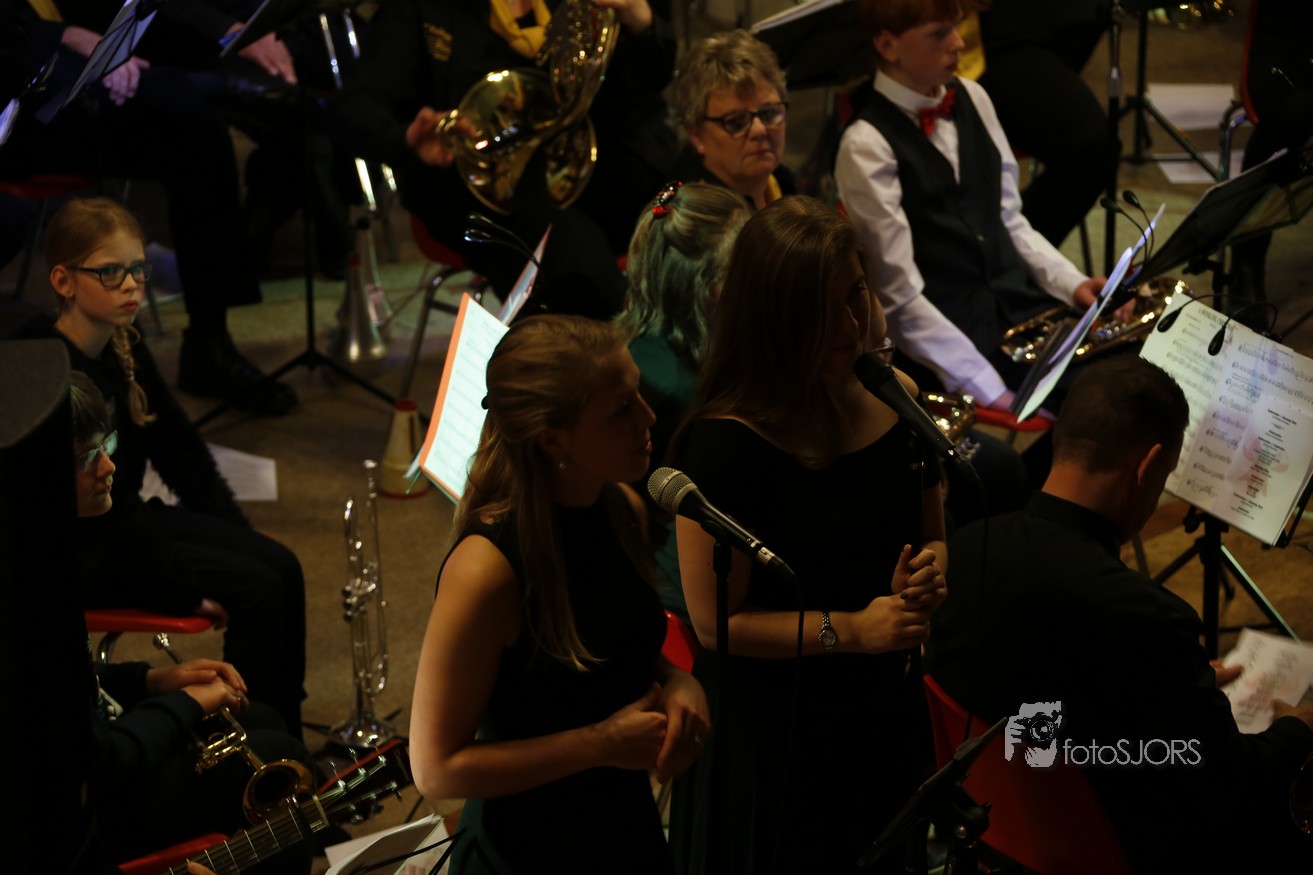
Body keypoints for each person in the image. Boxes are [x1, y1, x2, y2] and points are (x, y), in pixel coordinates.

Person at [924, 355, 1313, 871]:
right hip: (1120, 847)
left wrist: (1180, 690)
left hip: (999, 831)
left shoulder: (964, 549)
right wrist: (1296, 728)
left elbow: (1056, 689)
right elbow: (1233, 787)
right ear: (1148, 467)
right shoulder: (1144, 615)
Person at [667, 196, 948, 875]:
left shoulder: (897, 396)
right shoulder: (721, 448)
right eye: (824, 310)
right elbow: (716, 625)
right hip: (774, 736)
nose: (852, 324)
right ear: (775, 319)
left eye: (857, 293)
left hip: (879, 709)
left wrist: (931, 572)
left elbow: (934, 537)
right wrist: (850, 630)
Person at [410, 315, 710, 873]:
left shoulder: (621, 507)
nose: (649, 418)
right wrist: (599, 743)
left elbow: (616, 649)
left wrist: (677, 681)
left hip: (622, 827)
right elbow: (436, 769)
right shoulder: (486, 570)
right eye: (621, 409)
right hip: (525, 849)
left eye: (639, 394)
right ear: (553, 440)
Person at [15, 197, 308, 740]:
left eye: (138, 269)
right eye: (111, 272)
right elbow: (105, 517)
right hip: (83, 548)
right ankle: (263, 740)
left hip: (127, 520)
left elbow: (181, 451)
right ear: (63, 281)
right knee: (258, 588)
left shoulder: (123, 340)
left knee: (281, 564)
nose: (132, 285)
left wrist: (235, 531)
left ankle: (283, 731)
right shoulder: (50, 368)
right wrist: (179, 588)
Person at [0, 0, 299, 415]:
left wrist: (101, 46)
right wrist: (68, 37)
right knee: (187, 97)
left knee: (199, 137)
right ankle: (220, 88)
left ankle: (209, 346)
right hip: (16, 107)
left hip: (61, 83)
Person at [68, 369, 313, 875]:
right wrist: (185, 703)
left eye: (107, 445)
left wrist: (153, 679)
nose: (109, 465)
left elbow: (83, 682)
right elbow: (102, 758)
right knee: (276, 764)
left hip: (105, 748)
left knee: (264, 720)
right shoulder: (31, 593)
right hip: (90, 819)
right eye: (89, 457)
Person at [834, 0, 1107, 420]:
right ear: (888, 45)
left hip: (1023, 314)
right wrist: (984, 384)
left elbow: (1010, 220)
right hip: (957, 342)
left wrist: (1071, 283)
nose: (959, 44)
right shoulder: (866, 145)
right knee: (1103, 405)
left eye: (956, 27)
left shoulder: (973, 96)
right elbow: (898, 297)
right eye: (939, 33)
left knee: (1138, 364)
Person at [330, 0, 678, 321]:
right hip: (476, 196)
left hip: (586, 178)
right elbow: (353, 108)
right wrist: (405, 137)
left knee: (688, 209)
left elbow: (646, 86)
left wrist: (640, 21)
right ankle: (627, 352)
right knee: (570, 251)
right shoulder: (424, 8)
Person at [616, 180, 750, 623]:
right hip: (686, 583)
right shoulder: (678, 387)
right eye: (743, 270)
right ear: (701, 289)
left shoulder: (637, 340)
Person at [967, 0, 1117, 249]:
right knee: (1090, 144)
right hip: (971, 41)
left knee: (1098, 147)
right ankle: (1001, 254)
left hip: (1036, 26)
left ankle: (1014, 252)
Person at [669, 29, 795, 209]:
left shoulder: (784, 184)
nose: (759, 130)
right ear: (697, 135)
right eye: (736, 122)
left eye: (769, 114)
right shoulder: (691, 218)